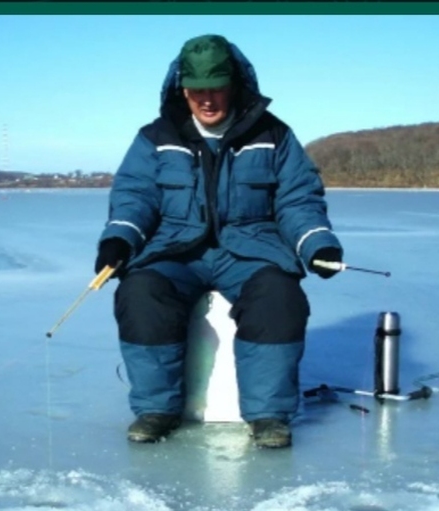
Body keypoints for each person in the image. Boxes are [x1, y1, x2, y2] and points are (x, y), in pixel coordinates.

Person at [93, 34, 344, 449]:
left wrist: (318, 245)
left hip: (252, 246)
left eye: (217, 89)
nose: (207, 100)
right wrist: (118, 240)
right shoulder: (155, 137)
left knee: (279, 296)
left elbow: (298, 199)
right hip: (175, 249)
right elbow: (134, 197)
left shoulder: (274, 135)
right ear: (182, 89)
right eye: (197, 91)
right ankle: (157, 410)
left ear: (235, 85)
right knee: (141, 291)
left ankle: (269, 416)